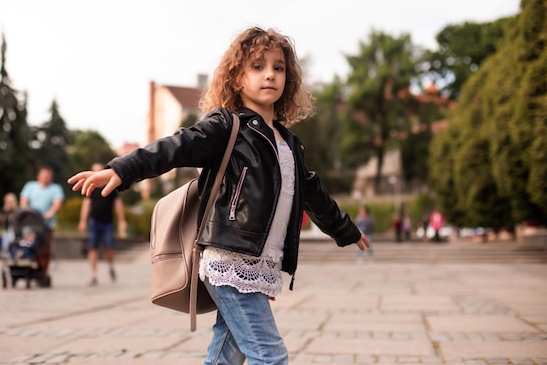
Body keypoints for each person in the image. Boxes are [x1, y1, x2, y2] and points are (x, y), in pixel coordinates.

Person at [68, 26, 369, 365]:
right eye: (257, 66)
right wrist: (122, 169)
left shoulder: (288, 142)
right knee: (270, 357)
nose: (269, 74)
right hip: (230, 259)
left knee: (226, 358)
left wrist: (346, 230)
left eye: (278, 67)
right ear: (236, 77)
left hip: (260, 263)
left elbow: (312, 193)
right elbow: (174, 148)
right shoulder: (227, 126)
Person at [78, 163, 128, 286]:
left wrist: (122, 220)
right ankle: (93, 275)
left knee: (109, 248)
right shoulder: (91, 188)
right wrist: (83, 221)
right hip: (94, 222)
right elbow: (86, 205)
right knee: (92, 248)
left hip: (108, 223)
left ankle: (110, 266)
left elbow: (118, 205)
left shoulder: (111, 188)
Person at [20, 166, 64, 277]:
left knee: (45, 249)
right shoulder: (30, 186)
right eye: (44, 175)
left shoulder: (56, 189)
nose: (46, 177)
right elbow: (24, 201)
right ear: (38, 176)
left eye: (48, 175)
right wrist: (26, 213)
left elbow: (57, 204)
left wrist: (50, 214)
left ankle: (42, 273)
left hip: (46, 224)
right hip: (31, 223)